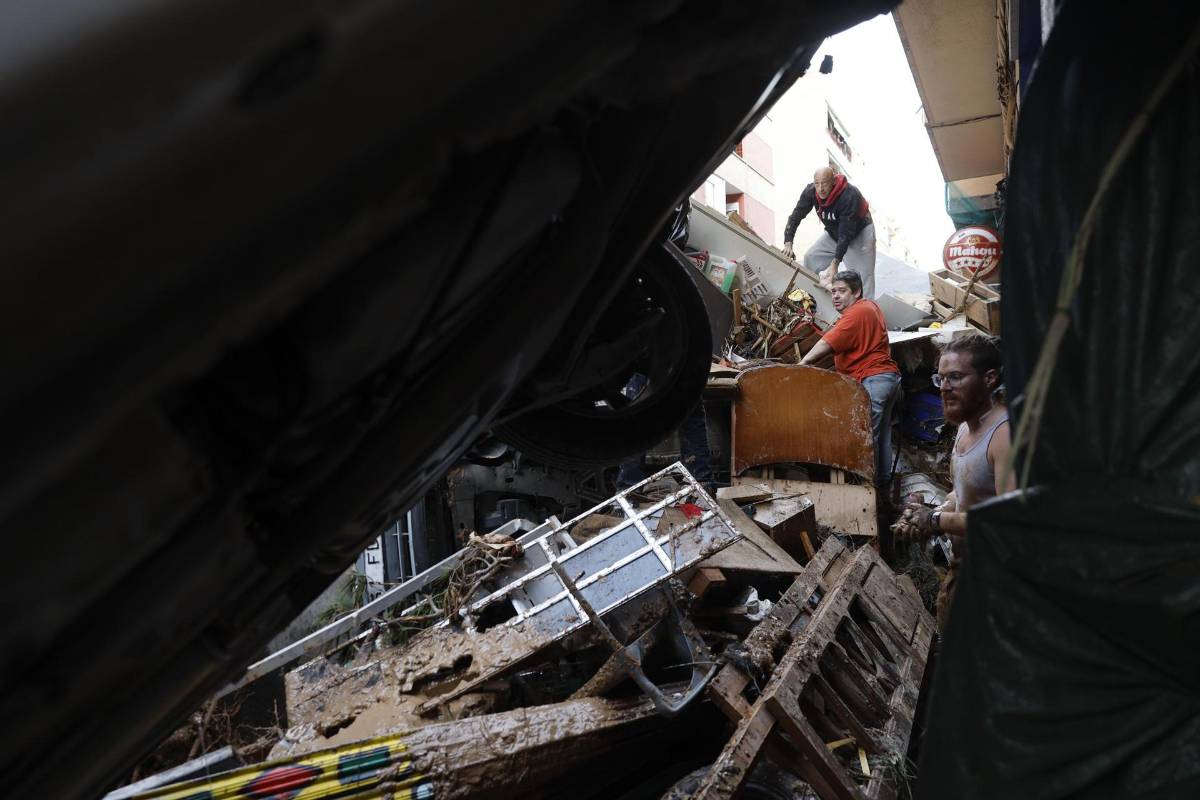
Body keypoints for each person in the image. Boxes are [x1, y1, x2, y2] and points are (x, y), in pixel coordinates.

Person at [893, 333, 1013, 630]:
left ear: (989, 379)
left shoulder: (1005, 437)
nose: (945, 388)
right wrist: (931, 509)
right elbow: (964, 494)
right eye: (941, 379)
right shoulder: (965, 428)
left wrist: (935, 520)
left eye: (956, 378)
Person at [799, 270, 901, 492]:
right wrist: (828, 283)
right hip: (885, 379)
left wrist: (803, 363)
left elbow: (827, 343)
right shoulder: (868, 306)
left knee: (864, 436)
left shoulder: (857, 312)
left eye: (842, 291)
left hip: (874, 379)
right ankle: (881, 491)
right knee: (880, 437)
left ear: (856, 292)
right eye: (833, 292)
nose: (835, 296)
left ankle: (863, 491)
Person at [780, 167, 876, 298]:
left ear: (833, 182)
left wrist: (835, 263)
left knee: (862, 279)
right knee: (810, 258)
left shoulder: (849, 195)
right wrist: (788, 243)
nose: (820, 188)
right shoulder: (811, 192)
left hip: (859, 233)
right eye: (817, 183)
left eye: (824, 183)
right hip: (833, 233)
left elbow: (845, 233)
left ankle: (867, 314)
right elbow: (795, 216)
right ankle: (811, 300)